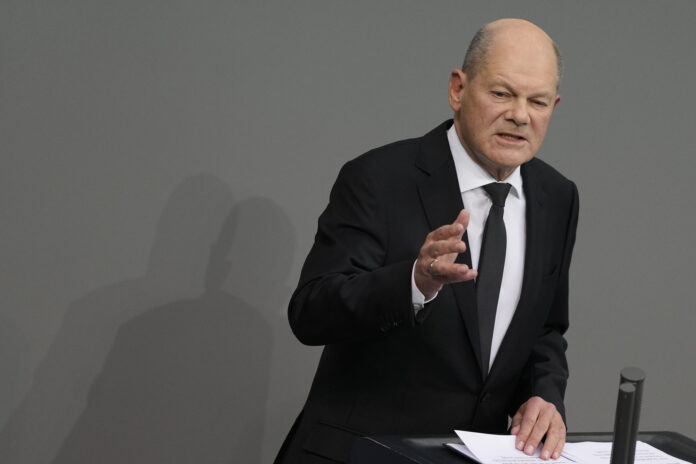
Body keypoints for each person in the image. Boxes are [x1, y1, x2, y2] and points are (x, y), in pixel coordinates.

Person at [276, 18, 579, 464]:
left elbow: (545, 328)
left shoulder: (557, 197)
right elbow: (310, 312)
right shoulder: (379, 178)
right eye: (501, 93)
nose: (520, 114)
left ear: (553, 106)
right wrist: (413, 283)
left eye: (536, 101)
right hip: (362, 454)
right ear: (458, 89)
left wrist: (544, 394)